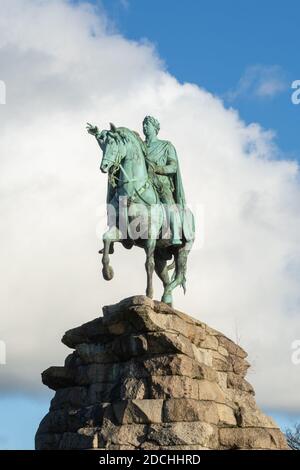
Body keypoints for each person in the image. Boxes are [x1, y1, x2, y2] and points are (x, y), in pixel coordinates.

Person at [142, 115, 186, 245]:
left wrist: (158, 169)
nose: (144, 127)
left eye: (147, 125)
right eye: (143, 125)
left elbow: (173, 166)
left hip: (160, 182)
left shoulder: (166, 146)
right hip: (143, 181)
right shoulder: (140, 146)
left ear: (155, 128)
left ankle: (176, 233)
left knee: (168, 200)